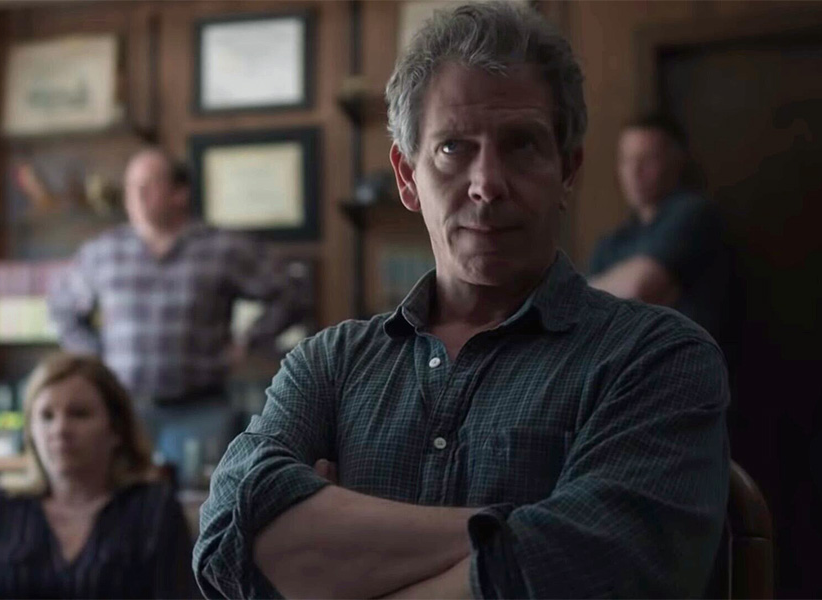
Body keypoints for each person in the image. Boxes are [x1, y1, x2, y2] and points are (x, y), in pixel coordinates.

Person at [194, 3, 729, 598]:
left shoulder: (655, 357)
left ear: (567, 169)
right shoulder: (329, 364)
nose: (487, 184)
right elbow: (227, 536)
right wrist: (521, 531)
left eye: (521, 144)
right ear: (407, 176)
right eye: (453, 148)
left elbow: (610, 566)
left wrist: (333, 542)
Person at [48, 148, 305, 467]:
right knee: (126, 495)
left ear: (179, 194)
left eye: (149, 185)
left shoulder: (221, 248)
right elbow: (61, 309)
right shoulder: (103, 252)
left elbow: (290, 293)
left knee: (202, 495)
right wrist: (95, 359)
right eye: (131, 186)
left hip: (201, 409)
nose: (136, 195)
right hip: (121, 410)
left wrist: (248, 341)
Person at [0, 353, 198, 599]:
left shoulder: (153, 509)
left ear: (116, 429)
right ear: (30, 431)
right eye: (46, 416)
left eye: (79, 414)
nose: (60, 430)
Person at [589, 114, 728, 340]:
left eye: (648, 159)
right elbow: (583, 312)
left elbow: (638, 287)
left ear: (676, 162)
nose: (635, 172)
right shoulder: (613, 241)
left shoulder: (693, 214)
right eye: (627, 160)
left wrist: (600, 292)